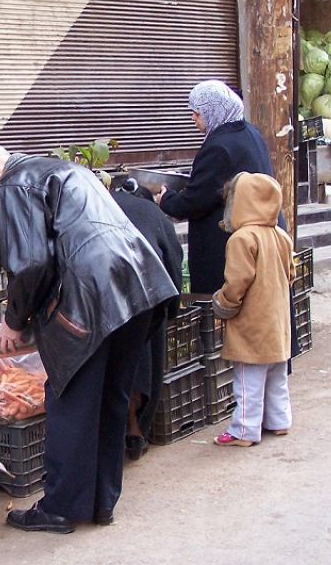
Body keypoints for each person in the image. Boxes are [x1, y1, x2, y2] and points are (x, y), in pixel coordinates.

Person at [0, 143, 178, 533]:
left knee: (69, 400)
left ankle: (60, 508)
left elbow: (30, 262)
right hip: (138, 285)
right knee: (111, 398)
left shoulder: (13, 183)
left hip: (92, 295)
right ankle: (100, 502)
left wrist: (13, 320)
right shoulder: (59, 170)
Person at [155, 79, 277, 294]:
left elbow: (196, 201)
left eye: (198, 113)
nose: (193, 118)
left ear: (214, 111)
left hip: (228, 245)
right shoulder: (250, 133)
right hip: (260, 238)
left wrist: (166, 199)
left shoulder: (219, 147)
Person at [211, 172, 294, 447]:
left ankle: (244, 430)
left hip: (252, 323)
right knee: (276, 377)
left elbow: (237, 282)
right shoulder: (280, 235)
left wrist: (223, 303)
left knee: (248, 380)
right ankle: (279, 421)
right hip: (277, 320)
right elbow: (291, 273)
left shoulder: (242, 239)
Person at [111, 181, 183, 461]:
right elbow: (173, 260)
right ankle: (137, 431)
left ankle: (122, 433)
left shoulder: (99, 205)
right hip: (150, 293)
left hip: (110, 297)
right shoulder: (154, 214)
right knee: (145, 361)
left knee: (118, 369)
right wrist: (172, 308)